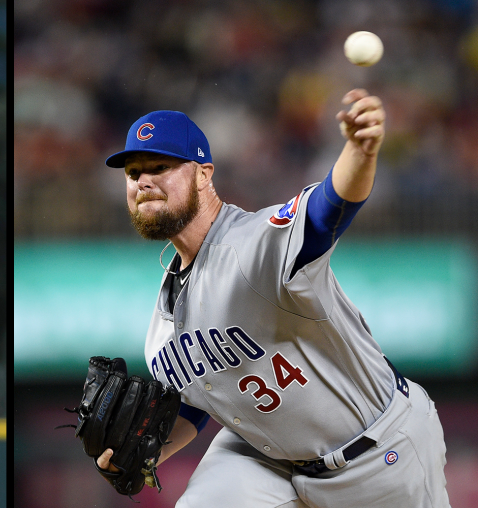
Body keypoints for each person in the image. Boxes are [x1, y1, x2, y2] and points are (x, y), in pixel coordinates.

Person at [95, 89, 449, 508]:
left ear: (204, 173)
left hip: (378, 453)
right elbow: (199, 401)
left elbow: (326, 211)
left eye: (160, 166)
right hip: (266, 461)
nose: (144, 181)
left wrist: (360, 151)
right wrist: (141, 455)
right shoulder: (162, 324)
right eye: (133, 173)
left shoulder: (254, 244)